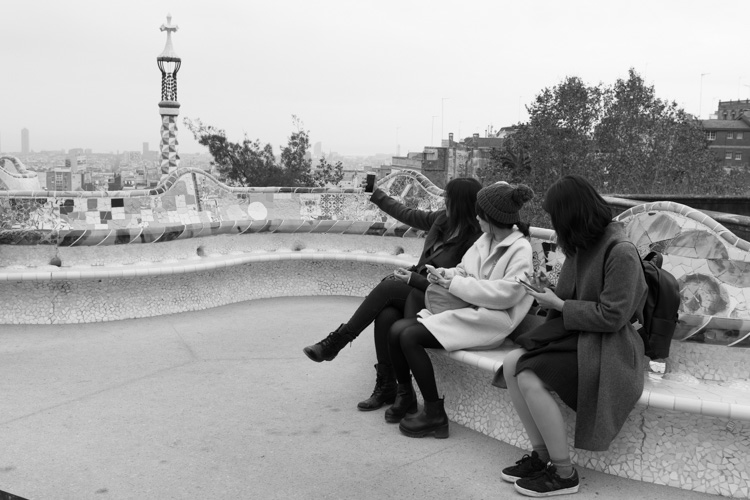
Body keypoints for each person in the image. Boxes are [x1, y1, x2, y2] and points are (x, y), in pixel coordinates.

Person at [497, 174, 647, 497]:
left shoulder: (621, 251)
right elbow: (567, 296)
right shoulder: (583, 243)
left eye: (555, 217)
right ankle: (541, 457)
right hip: (579, 336)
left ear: (572, 216)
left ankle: (564, 474)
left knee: (528, 377)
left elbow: (612, 316)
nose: (553, 224)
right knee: (511, 363)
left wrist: (559, 304)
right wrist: (545, 291)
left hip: (611, 348)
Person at [302, 177, 483, 413]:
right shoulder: (443, 219)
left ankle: (337, 341)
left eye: (449, 197)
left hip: (443, 299)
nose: (444, 200)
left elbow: (460, 281)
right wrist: (375, 194)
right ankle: (389, 387)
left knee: (388, 288)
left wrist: (414, 279)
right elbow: (405, 213)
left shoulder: (475, 238)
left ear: (460, 203)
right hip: (417, 291)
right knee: (386, 315)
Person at [386, 182, 536, 437]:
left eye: (481, 213)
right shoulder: (485, 240)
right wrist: (443, 273)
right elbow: (465, 270)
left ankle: (434, 414)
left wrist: (454, 283)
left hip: (491, 321)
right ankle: (407, 397)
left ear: (492, 217)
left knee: (409, 336)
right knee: (395, 329)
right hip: (469, 311)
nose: (476, 217)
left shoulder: (520, 249)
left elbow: (507, 294)